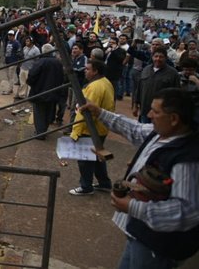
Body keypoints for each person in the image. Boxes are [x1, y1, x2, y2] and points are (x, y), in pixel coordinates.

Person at [79, 88, 199, 268]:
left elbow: (186, 211)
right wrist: (101, 113)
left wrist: (133, 206)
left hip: (158, 245)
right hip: (141, 233)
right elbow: (134, 129)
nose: (149, 114)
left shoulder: (187, 159)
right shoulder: (162, 133)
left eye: (156, 111)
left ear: (174, 119)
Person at [69, 59, 115, 195]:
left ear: (95, 71)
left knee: (85, 160)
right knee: (97, 157)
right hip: (101, 128)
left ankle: (86, 186)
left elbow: (86, 112)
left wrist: (76, 132)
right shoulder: (106, 82)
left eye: (88, 69)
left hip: (90, 129)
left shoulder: (95, 87)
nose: (85, 71)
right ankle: (104, 183)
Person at [26, 44, 64, 139]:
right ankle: (43, 130)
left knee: (39, 113)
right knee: (48, 112)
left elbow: (32, 76)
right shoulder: (58, 63)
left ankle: (40, 133)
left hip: (40, 92)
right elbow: (61, 77)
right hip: (53, 92)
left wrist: (31, 83)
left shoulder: (40, 62)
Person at [134, 47, 180, 124]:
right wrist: (135, 106)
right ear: (152, 57)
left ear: (166, 58)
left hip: (162, 113)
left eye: (161, 57)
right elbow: (139, 89)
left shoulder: (173, 73)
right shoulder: (146, 70)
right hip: (145, 111)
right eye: (156, 56)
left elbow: (176, 94)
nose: (158, 59)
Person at [3, 30, 21, 95]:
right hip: (8, 61)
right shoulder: (8, 42)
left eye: (11, 35)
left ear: (13, 36)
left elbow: (19, 51)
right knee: (8, 76)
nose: (9, 36)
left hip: (13, 61)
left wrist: (18, 61)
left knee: (11, 76)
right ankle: (11, 89)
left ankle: (9, 90)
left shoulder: (16, 43)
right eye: (9, 35)